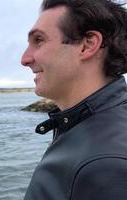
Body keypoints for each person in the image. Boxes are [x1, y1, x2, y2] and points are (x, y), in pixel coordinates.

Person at [20, 0, 127, 199]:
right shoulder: (79, 126)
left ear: (87, 45)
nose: (25, 59)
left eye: (39, 40)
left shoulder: (107, 165)